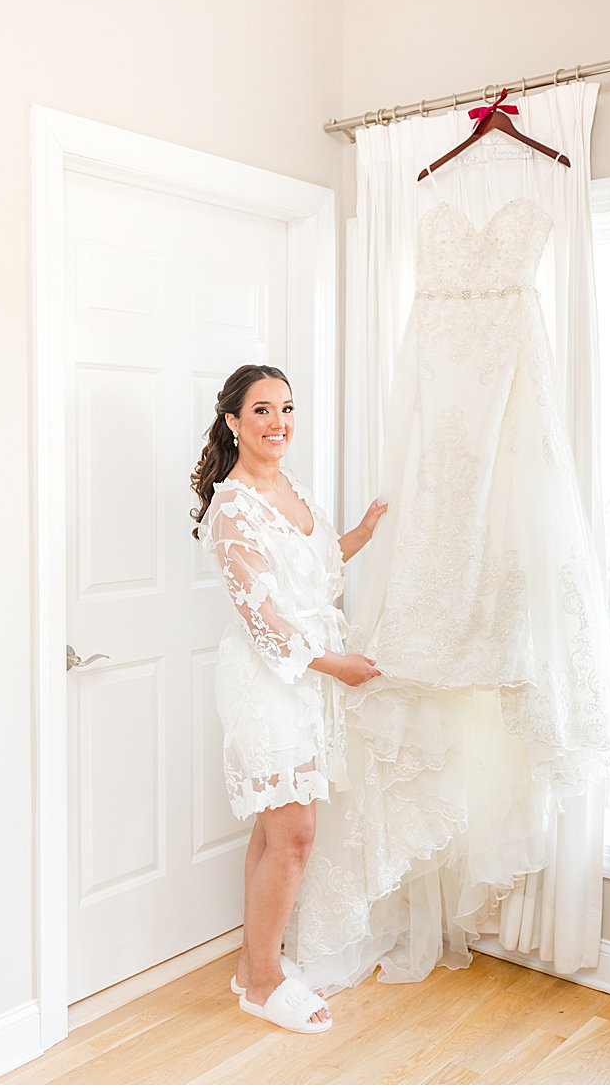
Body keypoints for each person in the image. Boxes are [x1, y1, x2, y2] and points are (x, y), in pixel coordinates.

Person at [191, 363, 386, 1034]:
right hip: (267, 677)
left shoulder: (293, 488)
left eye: (287, 409)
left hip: (309, 680)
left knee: (274, 829)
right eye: (263, 410)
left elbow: (321, 559)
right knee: (295, 833)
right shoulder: (232, 506)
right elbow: (265, 618)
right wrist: (340, 667)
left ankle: (253, 966)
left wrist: (366, 528)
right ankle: (267, 979)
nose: (279, 423)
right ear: (233, 422)